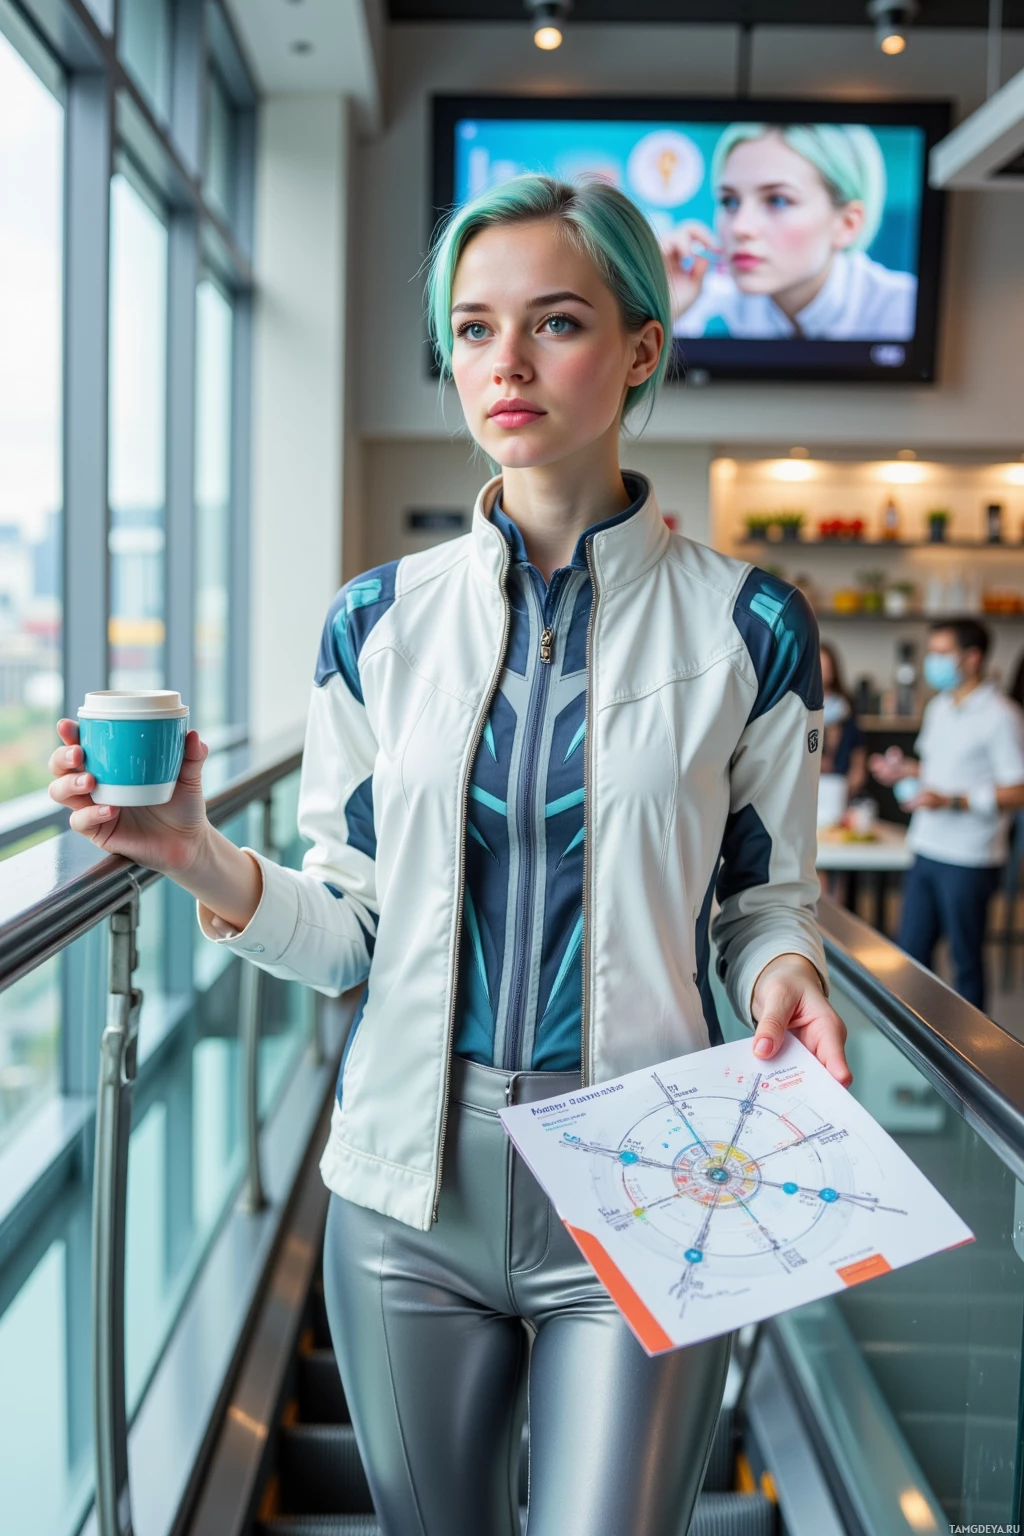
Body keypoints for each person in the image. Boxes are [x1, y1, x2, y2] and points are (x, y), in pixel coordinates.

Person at [48, 174, 849, 1536]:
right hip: (408, 1194)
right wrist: (190, 852)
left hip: (653, 1171)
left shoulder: (754, 626)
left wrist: (785, 967)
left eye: (556, 323)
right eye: (473, 330)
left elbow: (764, 898)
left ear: (642, 347)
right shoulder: (375, 623)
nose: (508, 365)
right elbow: (350, 927)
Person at [870, 618, 1024, 1013]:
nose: (932, 662)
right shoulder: (938, 707)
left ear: (972, 658)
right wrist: (904, 770)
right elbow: (935, 770)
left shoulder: (1001, 715)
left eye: (942, 653)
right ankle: (912, 1052)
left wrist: (953, 801)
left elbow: (1018, 789)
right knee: (911, 955)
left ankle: (970, 1065)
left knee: (966, 962)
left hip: (970, 858)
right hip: (925, 847)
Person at [664, 123, 916, 341]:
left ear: (847, 224)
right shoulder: (701, 305)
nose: (740, 227)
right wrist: (662, 307)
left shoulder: (905, 309)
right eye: (730, 201)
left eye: (778, 201)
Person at [820, 641, 867, 796]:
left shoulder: (846, 710)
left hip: (840, 792)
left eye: (827, 668)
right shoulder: (796, 711)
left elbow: (858, 764)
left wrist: (844, 792)